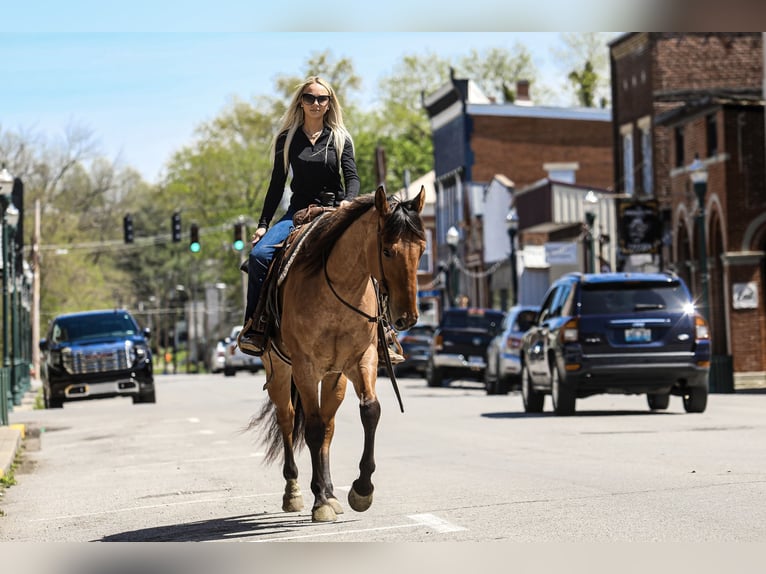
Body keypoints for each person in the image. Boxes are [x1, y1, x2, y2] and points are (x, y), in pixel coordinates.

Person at [238, 76, 403, 365]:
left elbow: (352, 177)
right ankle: (256, 327)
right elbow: (277, 184)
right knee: (259, 255)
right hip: (299, 213)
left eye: (322, 99)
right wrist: (264, 224)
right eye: (310, 97)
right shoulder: (287, 138)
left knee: (372, 253)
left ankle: (383, 332)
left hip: (334, 211)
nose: (316, 103)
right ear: (300, 101)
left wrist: (348, 204)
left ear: (329, 103)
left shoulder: (340, 137)